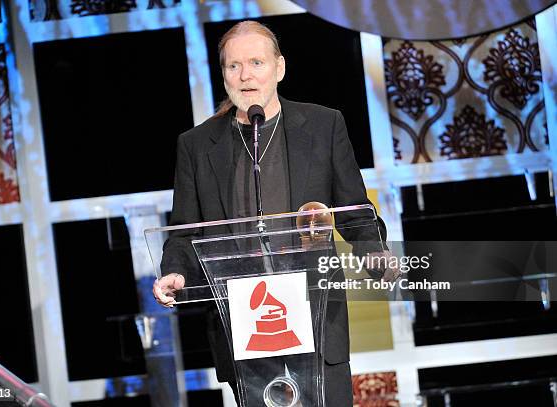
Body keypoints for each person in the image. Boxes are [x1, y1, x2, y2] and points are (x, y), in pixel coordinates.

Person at [153, 20, 397, 406]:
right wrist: (176, 272)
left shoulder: (323, 125)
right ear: (224, 74)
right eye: (233, 66)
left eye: (256, 62)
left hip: (315, 315)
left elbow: (355, 212)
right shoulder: (197, 146)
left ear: (279, 68)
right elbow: (185, 231)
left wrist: (376, 253)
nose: (245, 75)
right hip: (245, 324)